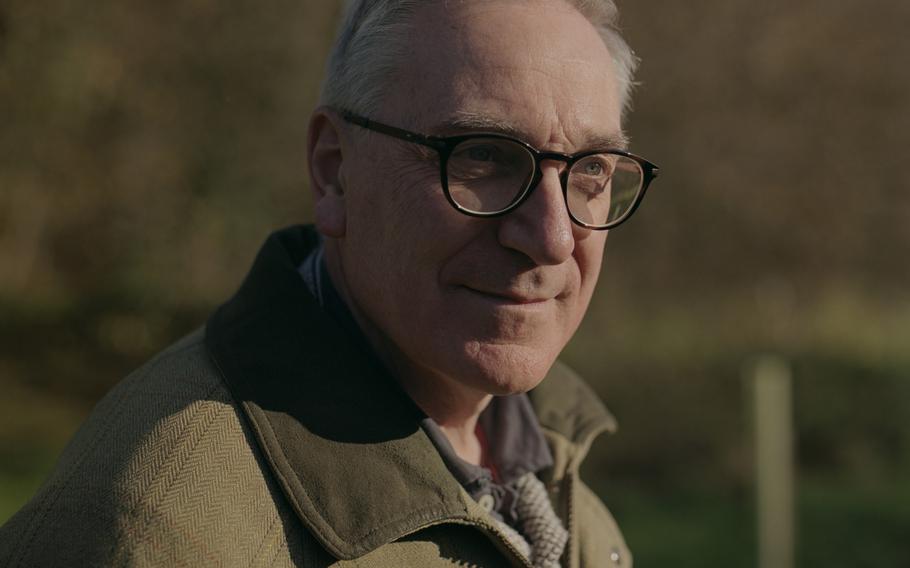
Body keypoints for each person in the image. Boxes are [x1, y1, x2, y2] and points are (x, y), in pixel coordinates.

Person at [0, 0, 659, 566]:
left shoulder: (557, 472)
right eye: (483, 156)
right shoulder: (157, 524)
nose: (549, 236)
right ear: (335, 171)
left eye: (591, 170)